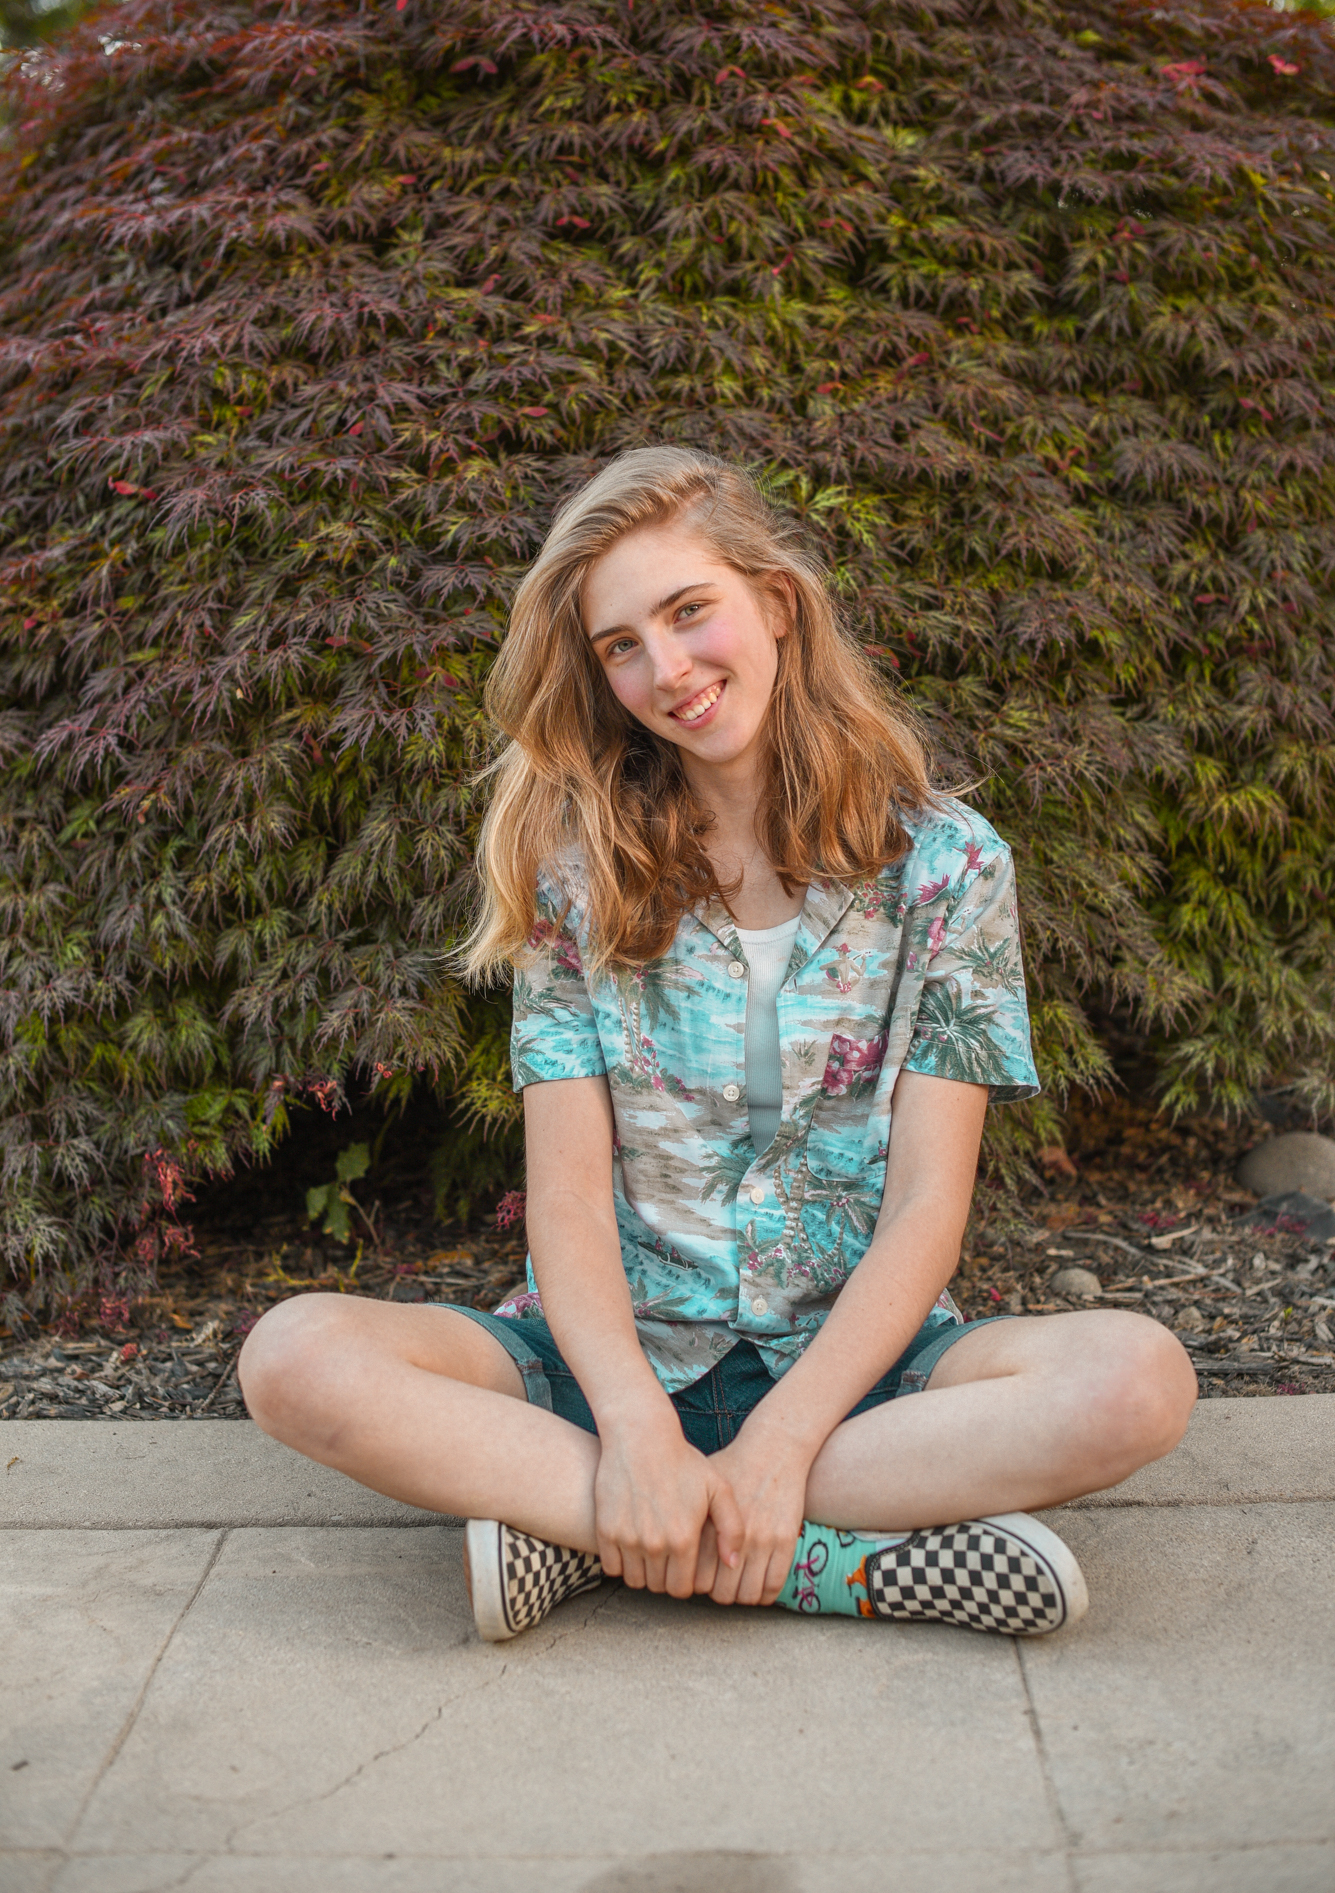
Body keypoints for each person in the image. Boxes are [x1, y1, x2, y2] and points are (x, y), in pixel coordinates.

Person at [239, 446, 1197, 1644]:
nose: (667, 669)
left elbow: (923, 1211)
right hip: (603, 1367)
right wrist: (634, 1421)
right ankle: (836, 1562)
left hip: (861, 1382)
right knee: (295, 1357)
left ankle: (592, 1526)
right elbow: (573, 1203)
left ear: (777, 603)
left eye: (691, 612)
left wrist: (788, 1434)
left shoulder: (954, 869)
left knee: (1137, 1380)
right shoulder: (576, 877)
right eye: (621, 645)